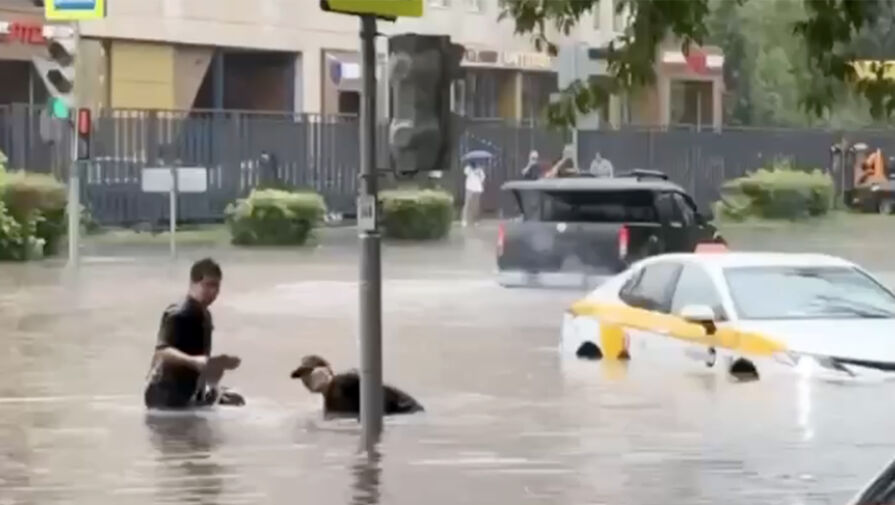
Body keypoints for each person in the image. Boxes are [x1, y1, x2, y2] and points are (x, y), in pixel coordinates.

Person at [143, 258, 245, 409]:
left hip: (189, 391)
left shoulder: (204, 314)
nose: (214, 292)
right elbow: (162, 352)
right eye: (209, 285)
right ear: (193, 283)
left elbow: (201, 362)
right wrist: (193, 361)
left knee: (237, 400)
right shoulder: (178, 313)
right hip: (164, 397)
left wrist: (219, 363)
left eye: (217, 286)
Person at [290, 355, 424, 418]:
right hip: (405, 416)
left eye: (309, 373)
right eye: (301, 376)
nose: (304, 379)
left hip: (410, 415)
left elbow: (360, 378)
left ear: (324, 371)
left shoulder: (342, 384)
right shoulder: (332, 395)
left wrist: (330, 379)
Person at [462, 160, 486, 227]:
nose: (475, 164)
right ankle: (464, 220)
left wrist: (478, 173)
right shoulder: (468, 168)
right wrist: (471, 168)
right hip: (469, 188)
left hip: (477, 189)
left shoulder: (480, 170)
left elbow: (482, 178)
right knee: (467, 204)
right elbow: (465, 173)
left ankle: (475, 220)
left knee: (476, 206)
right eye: (473, 163)